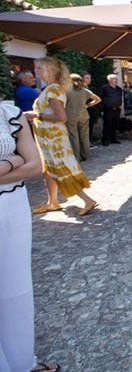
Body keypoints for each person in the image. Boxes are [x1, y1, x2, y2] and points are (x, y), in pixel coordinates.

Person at [0, 97, 46, 371]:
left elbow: (34, 166)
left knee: (16, 291)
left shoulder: (8, 112)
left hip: (12, 207)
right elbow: (23, 162)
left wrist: (16, 162)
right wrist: (11, 161)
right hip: (11, 190)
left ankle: (21, 363)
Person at [24, 57, 98, 216]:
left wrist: (35, 115)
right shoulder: (51, 89)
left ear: (49, 70)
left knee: (62, 169)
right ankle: (52, 202)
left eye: (38, 68)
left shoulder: (53, 90)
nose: (34, 71)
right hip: (48, 138)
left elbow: (61, 117)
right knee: (50, 170)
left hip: (54, 139)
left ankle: (87, 200)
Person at [65, 74, 101, 161]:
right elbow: (98, 99)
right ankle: (86, 155)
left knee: (73, 136)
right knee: (84, 136)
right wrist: (88, 105)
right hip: (84, 115)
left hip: (71, 116)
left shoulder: (66, 91)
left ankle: (76, 157)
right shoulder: (84, 90)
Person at [99, 74, 123, 146]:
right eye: (114, 79)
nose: (116, 80)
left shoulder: (119, 89)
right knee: (107, 125)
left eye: (116, 79)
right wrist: (106, 104)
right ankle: (105, 139)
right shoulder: (105, 88)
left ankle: (113, 139)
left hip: (117, 110)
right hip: (108, 110)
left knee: (114, 125)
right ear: (109, 80)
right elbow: (100, 97)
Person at [80, 71, 99, 142]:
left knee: (90, 126)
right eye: (87, 78)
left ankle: (89, 141)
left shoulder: (88, 87)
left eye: (89, 78)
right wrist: (87, 105)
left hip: (91, 110)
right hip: (85, 111)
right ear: (82, 79)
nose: (89, 79)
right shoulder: (81, 88)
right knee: (85, 127)